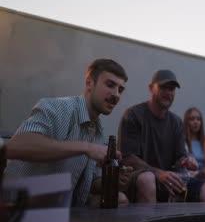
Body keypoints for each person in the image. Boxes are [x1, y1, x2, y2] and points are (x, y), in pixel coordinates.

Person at [4, 59, 130, 207]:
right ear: (89, 83)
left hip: (60, 208)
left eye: (120, 90)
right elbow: (14, 147)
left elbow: (89, 183)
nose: (116, 94)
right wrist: (87, 148)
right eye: (110, 85)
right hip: (17, 207)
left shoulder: (97, 130)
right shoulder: (58, 108)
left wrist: (113, 179)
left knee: (120, 199)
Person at [118, 69, 205, 203]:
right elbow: (128, 158)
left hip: (169, 180)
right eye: (163, 87)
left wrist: (186, 161)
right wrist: (158, 173)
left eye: (171, 89)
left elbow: (179, 158)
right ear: (151, 88)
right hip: (140, 179)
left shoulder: (176, 122)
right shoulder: (133, 115)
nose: (168, 93)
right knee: (147, 179)